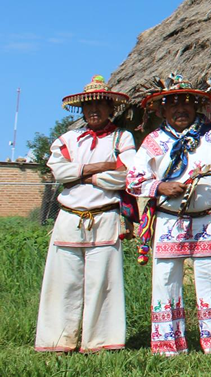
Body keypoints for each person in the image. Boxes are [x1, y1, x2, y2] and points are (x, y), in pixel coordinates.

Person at [127, 73, 211, 357]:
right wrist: (160, 186)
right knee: (166, 279)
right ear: (162, 110)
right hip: (169, 219)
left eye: (186, 103)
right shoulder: (154, 141)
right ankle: (169, 345)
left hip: (209, 219)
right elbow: (133, 180)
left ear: (196, 107)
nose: (180, 109)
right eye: (173, 104)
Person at [36, 75, 135, 354]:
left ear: (110, 108)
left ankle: (102, 341)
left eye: (100, 105)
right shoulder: (68, 138)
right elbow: (59, 171)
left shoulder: (122, 137)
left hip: (104, 217)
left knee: (103, 281)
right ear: (82, 110)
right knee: (63, 281)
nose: (94, 110)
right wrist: (100, 167)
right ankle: (57, 340)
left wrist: (81, 174)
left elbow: (125, 176)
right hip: (69, 217)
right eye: (88, 106)